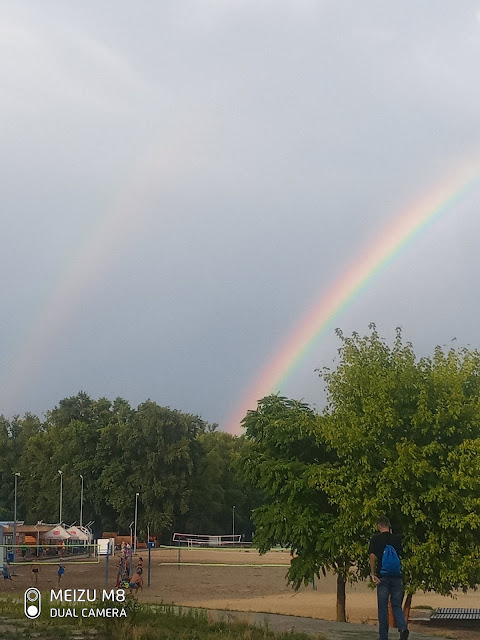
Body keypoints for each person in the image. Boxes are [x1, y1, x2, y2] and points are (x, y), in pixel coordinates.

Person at [369, 516, 409, 640]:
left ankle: (383, 637)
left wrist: (372, 573)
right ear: (389, 526)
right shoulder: (397, 539)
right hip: (396, 576)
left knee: (383, 607)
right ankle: (402, 627)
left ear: (378, 526)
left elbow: (372, 556)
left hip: (383, 577)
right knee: (396, 604)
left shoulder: (375, 539)